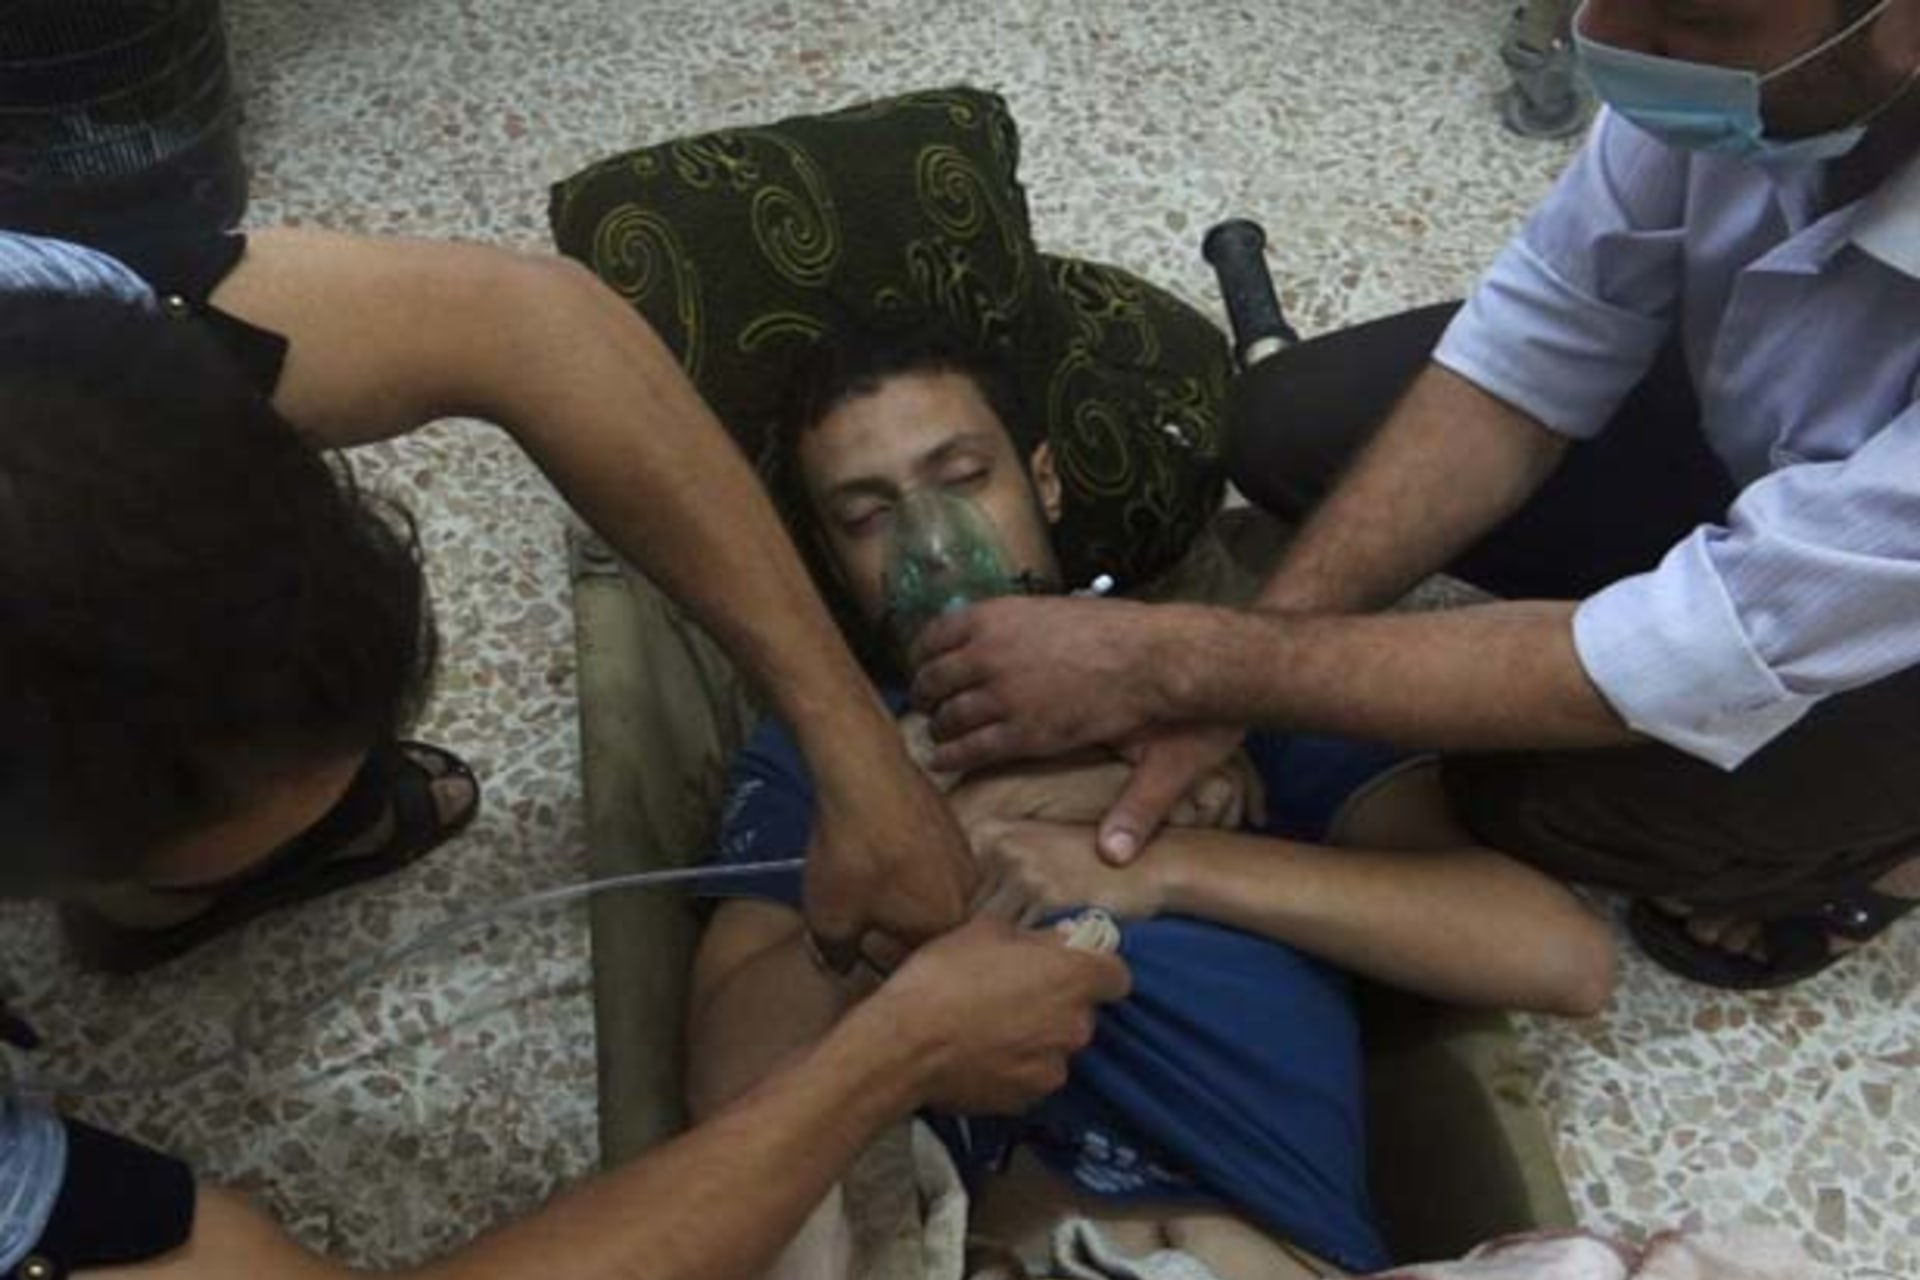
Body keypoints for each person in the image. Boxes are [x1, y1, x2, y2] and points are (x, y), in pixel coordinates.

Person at [0, 227, 1131, 1276]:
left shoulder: (62, 329)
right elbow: (749, 1037)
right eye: (865, 509)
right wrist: (890, 1055)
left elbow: (525, 317)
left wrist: (867, 755)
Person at [910, 0, 1920, 991]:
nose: (1597, 39)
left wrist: (1189, 671)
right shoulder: (1740, 63)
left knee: (1536, 803)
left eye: (1689, 20)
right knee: (1289, 424)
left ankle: (1883, 862)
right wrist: (1228, 670)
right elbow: (1542, 337)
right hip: (1779, 450)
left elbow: (1698, 656)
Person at [690, 326, 1614, 1280]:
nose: (933, 543)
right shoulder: (830, 750)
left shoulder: (1228, 681)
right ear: (830, 561)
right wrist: (918, 826)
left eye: (963, 478)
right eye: (866, 517)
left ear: (1043, 480)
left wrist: (1159, 867)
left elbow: (1560, 956)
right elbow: (733, 1093)